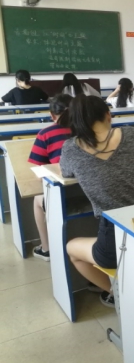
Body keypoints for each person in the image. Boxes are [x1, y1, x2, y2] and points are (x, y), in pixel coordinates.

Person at [60, 95, 134, 306]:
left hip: (114, 241)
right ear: (108, 115)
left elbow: (66, 172)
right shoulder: (132, 135)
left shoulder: (71, 147)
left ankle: (119, 295)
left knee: (71, 248)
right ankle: (125, 293)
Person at [27, 94, 73, 261]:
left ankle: (46, 249)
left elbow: (39, 173)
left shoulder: (45, 134)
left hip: (63, 193)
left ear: (52, 115)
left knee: (37, 199)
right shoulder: (87, 129)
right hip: (92, 189)